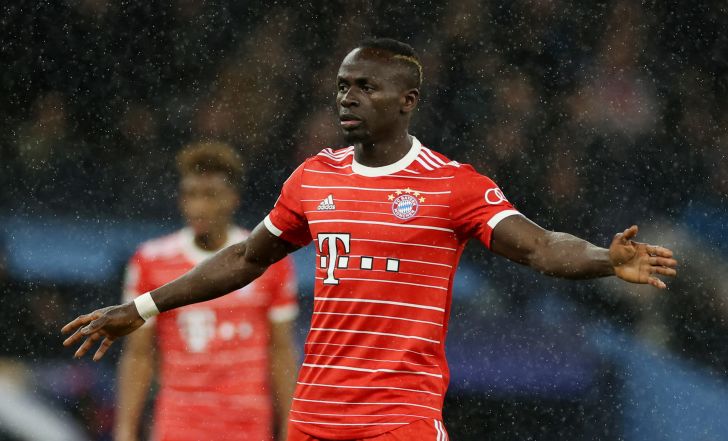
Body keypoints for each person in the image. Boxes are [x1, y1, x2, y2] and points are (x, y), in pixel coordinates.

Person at [63, 38, 677, 441]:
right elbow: (247, 257)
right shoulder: (313, 178)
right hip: (315, 414)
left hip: (399, 417)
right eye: (342, 85)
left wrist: (604, 258)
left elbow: (540, 247)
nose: (347, 97)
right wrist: (143, 307)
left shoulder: (453, 185)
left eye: (365, 87)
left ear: (407, 102)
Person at [113, 141, 299, 441]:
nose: (198, 207)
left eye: (210, 195)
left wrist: (292, 427)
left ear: (233, 199)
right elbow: (139, 354)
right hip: (179, 426)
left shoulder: (268, 261)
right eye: (191, 195)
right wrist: (125, 430)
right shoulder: (150, 261)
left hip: (247, 425)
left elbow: (280, 350)